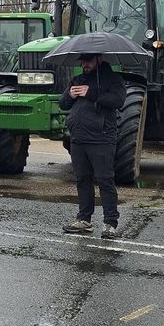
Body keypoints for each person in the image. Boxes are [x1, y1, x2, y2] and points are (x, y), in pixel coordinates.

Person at [60, 54, 126, 238]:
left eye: (88, 61)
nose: (85, 64)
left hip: (101, 137)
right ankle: (84, 219)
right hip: (78, 137)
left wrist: (91, 93)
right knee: (82, 179)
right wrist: (69, 94)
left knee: (105, 180)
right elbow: (63, 103)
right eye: (82, 61)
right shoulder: (78, 79)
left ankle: (110, 223)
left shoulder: (113, 79)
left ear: (99, 59)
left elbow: (118, 101)